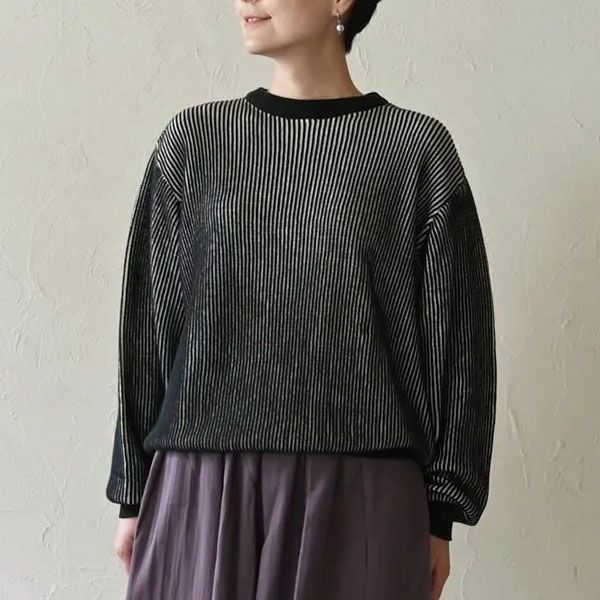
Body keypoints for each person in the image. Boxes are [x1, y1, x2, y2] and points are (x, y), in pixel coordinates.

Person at [106, 1, 497, 599]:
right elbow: (148, 323)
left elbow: (461, 340)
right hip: (204, 485)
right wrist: (133, 494)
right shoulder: (193, 142)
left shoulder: (416, 151)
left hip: (363, 493)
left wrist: (442, 510)